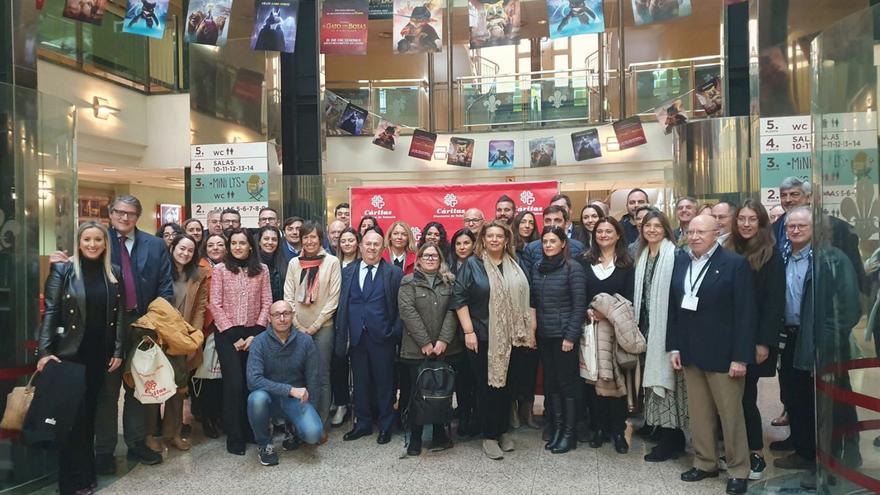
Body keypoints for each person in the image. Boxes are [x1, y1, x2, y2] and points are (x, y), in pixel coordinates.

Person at [771, 207, 861, 490]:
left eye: (801, 226)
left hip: (822, 342)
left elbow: (849, 309)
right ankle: (805, 453)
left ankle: (830, 462)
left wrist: (825, 341)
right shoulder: (783, 258)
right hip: (791, 339)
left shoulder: (833, 259)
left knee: (826, 404)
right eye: (790, 226)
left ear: (815, 228)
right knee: (796, 398)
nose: (795, 231)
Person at [666, 214, 756, 495]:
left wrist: (741, 357)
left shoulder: (734, 264)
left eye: (701, 232)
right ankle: (705, 462)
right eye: (691, 232)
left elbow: (746, 314)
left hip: (724, 355)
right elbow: (675, 308)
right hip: (691, 352)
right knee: (699, 414)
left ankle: (738, 469)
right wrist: (675, 346)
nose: (694, 237)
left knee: (731, 415)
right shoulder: (682, 262)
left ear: (716, 233)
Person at [38, 222, 125, 495]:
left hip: (99, 356)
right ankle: (69, 482)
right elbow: (50, 312)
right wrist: (45, 352)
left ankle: (86, 476)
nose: (92, 244)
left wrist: (118, 350)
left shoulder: (114, 272)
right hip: (69, 355)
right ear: (79, 242)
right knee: (70, 420)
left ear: (105, 244)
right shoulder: (63, 271)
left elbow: (120, 316)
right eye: (87, 239)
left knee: (88, 417)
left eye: (98, 239)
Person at [451, 221, 533, 460]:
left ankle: (503, 430)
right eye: (490, 236)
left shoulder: (515, 265)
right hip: (483, 336)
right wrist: (468, 331)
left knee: (508, 386)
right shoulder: (472, 265)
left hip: (513, 337)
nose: (495, 240)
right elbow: (459, 299)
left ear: (506, 240)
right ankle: (489, 436)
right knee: (487, 388)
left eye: (500, 236)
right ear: (483, 240)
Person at [724, 200, 785, 480]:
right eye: (742, 219)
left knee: (746, 399)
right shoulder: (727, 250)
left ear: (762, 223)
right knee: (729, 399)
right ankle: (735, 449)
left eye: (752, 219)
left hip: (754, 339)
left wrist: (763, 342)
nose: (746, 224)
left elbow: (773, 304)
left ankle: (756, 454)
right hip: (726, 337)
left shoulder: (770, 255)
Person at [335, 229, 404, 445]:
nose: (371, 248)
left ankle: (385, 426)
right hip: (356, 337)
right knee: (360, 383)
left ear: (383, 248)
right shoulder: (347, 272)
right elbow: (343, 305)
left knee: (385, 384)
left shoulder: (393, 273)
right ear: (360, 246)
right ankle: (362, 424)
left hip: (382, 337)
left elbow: (401, 308)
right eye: (368, 244)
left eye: (376, 244)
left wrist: (393, 332)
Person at [208, 228, 273, 455]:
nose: (237, 247)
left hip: (255, 335)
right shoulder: (220, 270)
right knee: (234, 385)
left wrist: (255, 334)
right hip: (227, 336)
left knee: (251, 383)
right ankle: (234, 436)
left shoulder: (262, 270)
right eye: (233, 243)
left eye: (242, 243)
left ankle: (251, 431)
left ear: (250, 246)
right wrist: (235, 337)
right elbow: (215, 304)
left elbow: (267, 303)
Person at [398, 243, 463, 455]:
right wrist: (425, 342)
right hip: (417, 350)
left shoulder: (450, 281)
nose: (430, 258)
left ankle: (439, 435)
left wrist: (443, 340)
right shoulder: (408, 282)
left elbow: (453, 311)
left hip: (446, 349)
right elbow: (407, 312)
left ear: (440, 259)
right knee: (419, 395)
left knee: (442, 393)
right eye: (426, 255)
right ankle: (416, 438)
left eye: (434, 255)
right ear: (418, 259)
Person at [633, 210, 687, 462]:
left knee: (668, 386)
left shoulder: (675, 255)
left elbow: (679, 296)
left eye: (657, 225)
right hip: (646, 329)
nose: (652, 230)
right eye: (648, 226)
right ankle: (664, 432)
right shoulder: (642, 256)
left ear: (666, 229)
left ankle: (671, 438)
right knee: (653, 385)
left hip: (668, 329)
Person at [578, 217, 634, 454]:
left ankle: (618, 430)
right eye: (599, 231)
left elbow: (630, 299)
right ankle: (598, 427)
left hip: (617, 332)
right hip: (590, 329)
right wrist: (588, 310)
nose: (603, 234)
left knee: (616, 380)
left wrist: (609, 313)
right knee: (593, 379)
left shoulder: (626, 264)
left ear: (618, 234)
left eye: (608, 231)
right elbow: (578, 293)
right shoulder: (585, 262)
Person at [529, 226, 586, 454]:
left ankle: (569, 434)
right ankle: (557, 428)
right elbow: (533, 301)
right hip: (545, 336)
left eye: (553, 241)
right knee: (551, 384)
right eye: (545, 241)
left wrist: (570, 336)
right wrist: (533, 331)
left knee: (567, 385)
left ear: (563, 243)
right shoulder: (537, 267)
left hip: (564, 337)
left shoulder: (573, 268)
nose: (548, 245)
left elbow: (579, 305)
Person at [246, 301, 324, 467]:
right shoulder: (259, 342)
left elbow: (313, 379)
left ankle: (292, 429)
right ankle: (265, 444)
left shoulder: (305, 342)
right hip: (269, 398)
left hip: (295, 401)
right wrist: (289, 390)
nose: (282, 318)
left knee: (313, 434)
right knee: (256, 398)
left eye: (286, 313)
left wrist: (313, 411)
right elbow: (253, 379)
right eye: (277, 314)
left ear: (292, 316)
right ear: (269, 318)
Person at [151, 234, 207, 452]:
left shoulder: (199, 275)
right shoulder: (160, 271)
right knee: (154, 387)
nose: (185, 253)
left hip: (183, 339)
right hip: (159, 336)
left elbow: (200, 309)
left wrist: (193, 340)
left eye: (190, 250)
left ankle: (172, 433)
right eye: (181, 248)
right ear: (172, 248)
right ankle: (150, 435)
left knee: (178, 389)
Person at [283, 221, 341, 425]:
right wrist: (298, 326)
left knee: (321, 374)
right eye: (305, 237)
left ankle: (320, 421)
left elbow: (333, 299)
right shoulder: (294, 263)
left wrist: (314, 326)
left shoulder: (332, 262)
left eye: (313, 237)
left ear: (320, 239)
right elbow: (288, 295)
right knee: (298, 374)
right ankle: (299, 421)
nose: (309, 241)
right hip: (297, 327)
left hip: (323, 327)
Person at [193, 233, 226, 439]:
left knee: (222, 377)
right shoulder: (199, 267)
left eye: (220, 244)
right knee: (205, 378)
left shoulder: (231, 266)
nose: (215, 248)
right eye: (211, 245)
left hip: (227, 329)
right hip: (206, 327)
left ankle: (221, 415)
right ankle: (206, 417)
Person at [447, 228, 478, 436]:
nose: (462, 247)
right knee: (461, 378)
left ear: (474, 245)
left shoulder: (480, 266)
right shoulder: (446, 267)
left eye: (466, 243)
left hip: (475, 330)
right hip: (453, 332)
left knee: (476, 377)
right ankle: (463, 415)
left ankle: (476, 417)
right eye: (458, 243)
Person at [331, 227, 360, 426]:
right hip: (334, 320)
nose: (347, 244)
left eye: (351, 240)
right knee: (338, 363)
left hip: (356, 320)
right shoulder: (333, 263)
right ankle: (341, 404)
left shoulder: (363, 264)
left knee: (358, 366)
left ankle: (359, 405)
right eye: (344, 241)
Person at [521, 206, 585, 279]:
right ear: (543, 223)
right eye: (547, 221)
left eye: (557, 220)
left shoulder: (578, 248)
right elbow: (527, 280)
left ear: (566, 224)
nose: (552, 224)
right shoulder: (531, 248)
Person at [257, 226, 289, 302]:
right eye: (266, 239)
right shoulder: (251, 262)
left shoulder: (285, 261)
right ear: (259, 241)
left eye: (274, 239)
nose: (270, 242)